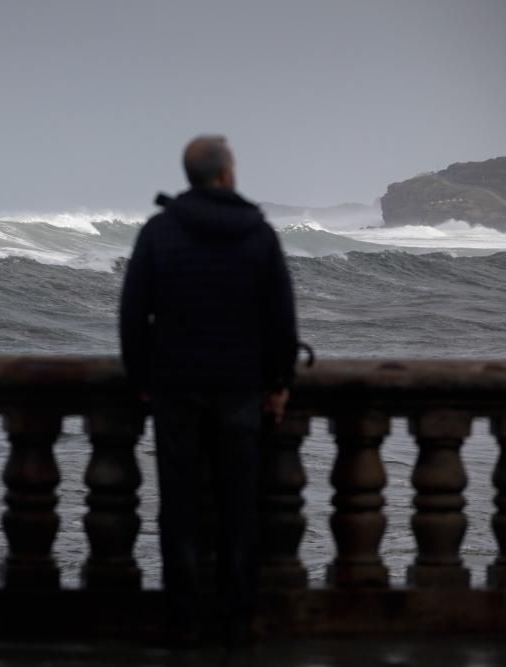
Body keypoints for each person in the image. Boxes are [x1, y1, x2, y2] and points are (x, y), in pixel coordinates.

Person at [119, 135, 298, 646]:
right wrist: (280, 382)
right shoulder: (257, 233)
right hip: (242, 388)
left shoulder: (159, 232)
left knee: (179, 510)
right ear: (225, 175)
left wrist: (141, 379)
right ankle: (237, 623)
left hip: (175, 388)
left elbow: (133, 314)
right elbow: (281, 318)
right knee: (239, 509)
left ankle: (183, 623)